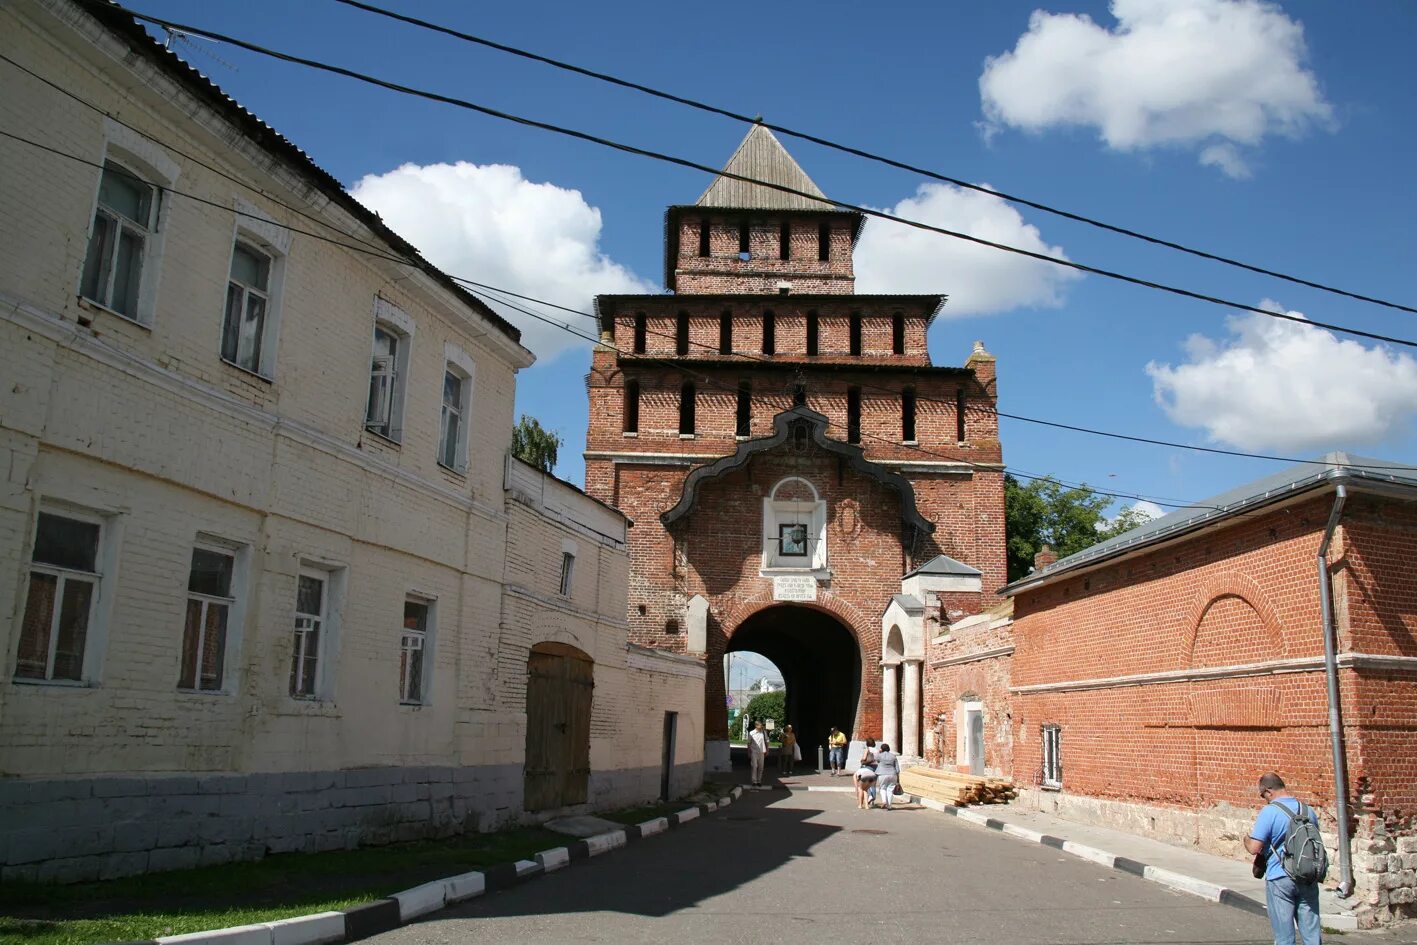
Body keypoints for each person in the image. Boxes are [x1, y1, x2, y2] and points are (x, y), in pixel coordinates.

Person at [1245, 772, 1322, 945]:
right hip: (1307, 874)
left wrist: (1246, 839)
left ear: (1268, 791)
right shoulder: (1307, 810)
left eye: (1262, 795)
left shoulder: (1270, 811)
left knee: (1284, 936)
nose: (1264, 799)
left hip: (1280, 876)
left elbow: (1254, 848)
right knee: (1312, 934)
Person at [873, 743, 900, 809]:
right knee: (890, 789)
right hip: (893, 774)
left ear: (881, 749)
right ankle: (889, 806)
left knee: (883, 788)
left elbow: (875, 757)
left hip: (882, 774)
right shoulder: (893, 756)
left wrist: (879, 752)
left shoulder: (880, 755)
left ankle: (884, 801)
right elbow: (897, 769)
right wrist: (898, 779)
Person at [854, 738, 878, 809]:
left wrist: (861, 760)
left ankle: (866, 800)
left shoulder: (867, 749)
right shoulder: (876, 750)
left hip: (868, 767)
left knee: (865, 786)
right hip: (876, 768)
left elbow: (864, 758)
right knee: (873, 784)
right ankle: (873, 798)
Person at [747, 720, 769, 788]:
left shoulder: (764, 732)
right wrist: (748, 752)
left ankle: (759, 781)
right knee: (754, 766)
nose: (761, 726)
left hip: (762, 752)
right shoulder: (751, 733)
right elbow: (748, 743)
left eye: (761, 725)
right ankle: (754, 781)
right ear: (756, 725)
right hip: (754, 752)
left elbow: (767, 741)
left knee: (761, 767)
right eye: (760, 725)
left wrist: (767, 750)